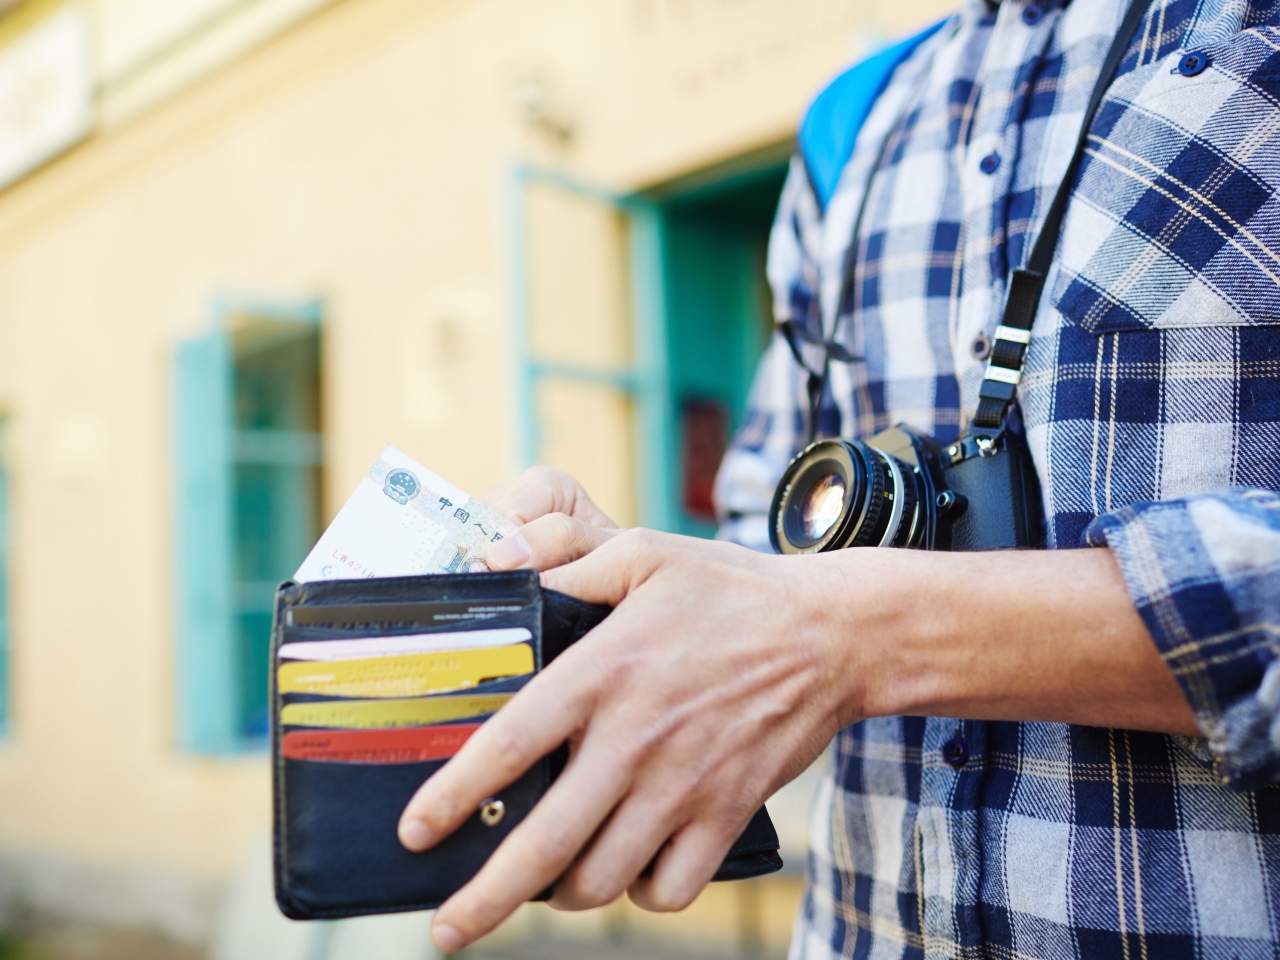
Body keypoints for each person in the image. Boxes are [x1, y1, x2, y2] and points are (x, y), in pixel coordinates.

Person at [398, 0, 1280, 955]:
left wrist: (860, 635)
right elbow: (772, 533)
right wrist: (634, 604)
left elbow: (818, 616)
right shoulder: (851, 122)